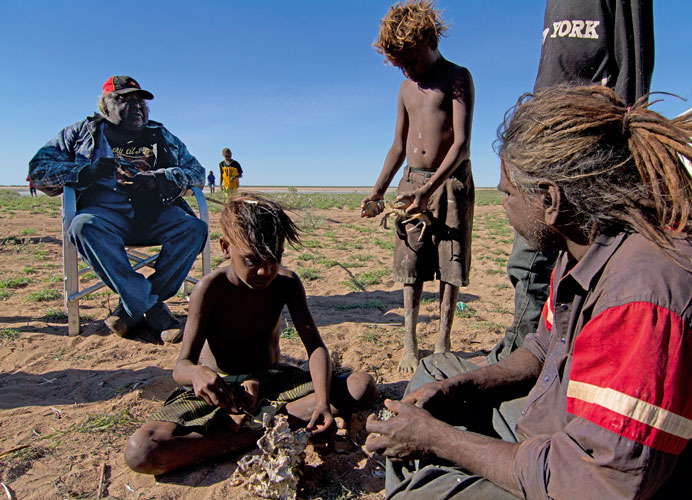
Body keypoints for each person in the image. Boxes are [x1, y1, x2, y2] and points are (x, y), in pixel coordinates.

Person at [365, 85, 692, 499]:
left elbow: (595, 482)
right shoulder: (583, 248)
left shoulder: (644, 300)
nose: (504, 207)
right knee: (436, 376)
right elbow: (543, 350)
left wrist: (439, 440)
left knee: (426, 488)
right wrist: (459, 389)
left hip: (603, 481)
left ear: (549, 199)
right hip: (565, 430)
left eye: (509, 194)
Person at [124, 195, 377, 475]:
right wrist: (198, 376)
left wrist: (321, 404)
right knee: (141, 452)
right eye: (251, 259)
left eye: (275, 258)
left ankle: (242, 434)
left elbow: (315, 347)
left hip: (271, 382)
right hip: (221, 392)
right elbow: (182, 366)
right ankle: (254, 433)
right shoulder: (210, 289)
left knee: (361, 386)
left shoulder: (286, 283)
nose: (265, 270)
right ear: (225, 248)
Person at [494, 0, 655, 362]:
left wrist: (613, 153)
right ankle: (526, 356)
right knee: (528, 267)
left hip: (579, 156)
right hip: (542, 145)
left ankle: (542, 369)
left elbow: (633, 75)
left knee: (546, 264)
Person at [28, 75, 208, 342]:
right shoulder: (81, 133)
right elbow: (38, 169)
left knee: (194, 228)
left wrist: (161, 178)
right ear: (105, 105)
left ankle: (130, 307)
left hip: (156, 212)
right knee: (82, 226)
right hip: (105, 215)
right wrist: (84, 172)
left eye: (141, 101)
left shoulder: (161, 134)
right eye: (125, 99)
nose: (137, 106)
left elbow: (197, 173)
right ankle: (155, 310)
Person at [361, 0, 474, 373]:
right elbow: (397, 145)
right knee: (411, 265)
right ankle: (410, 342)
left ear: (428, 39)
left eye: (410, 60)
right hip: (412, 183)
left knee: (450, 263)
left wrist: (431, 191)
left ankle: (442, 340)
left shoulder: (457, 77)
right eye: (401, 65)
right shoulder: (407, 90)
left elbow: (460, 145)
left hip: (450, 183)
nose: (408, 70)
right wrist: (378, 190)